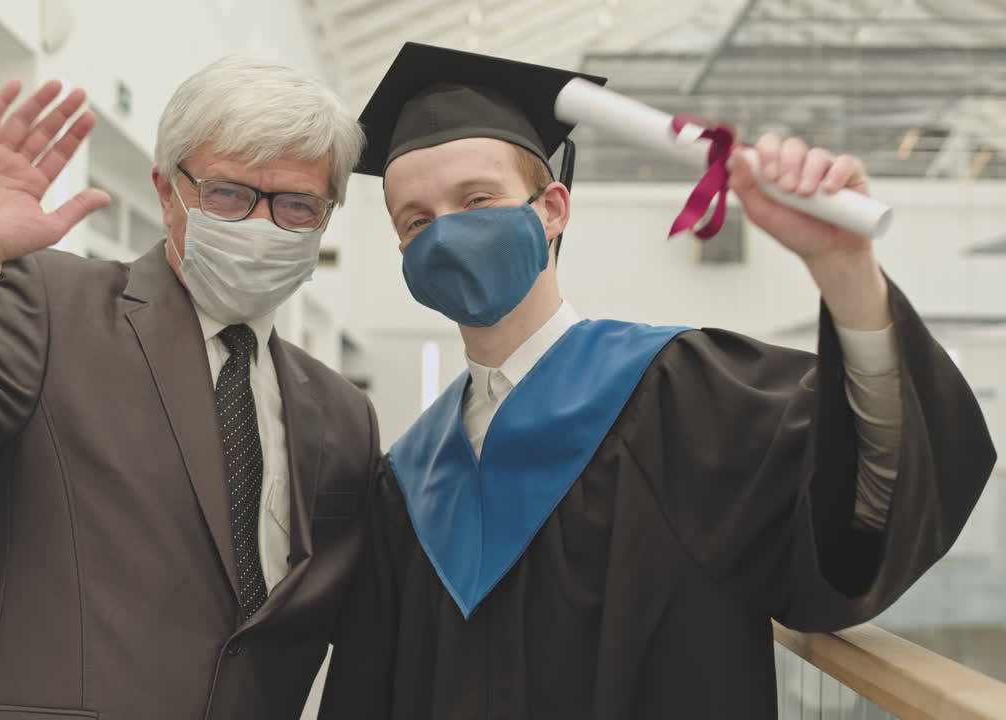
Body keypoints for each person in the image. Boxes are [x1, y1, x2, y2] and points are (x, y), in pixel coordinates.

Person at [318, 43, 996, 719]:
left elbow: (866, 510)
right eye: (417, 220)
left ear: (553, 209)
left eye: (477, 199)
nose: (447, 233)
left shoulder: (682, 398)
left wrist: (845, 272)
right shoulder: (407, 481)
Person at [0, 57, 378, 720]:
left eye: (297, 206)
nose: (262, 225)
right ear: (166, 191)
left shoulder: (342, 414)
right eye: (228, 194)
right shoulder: (47, 310)